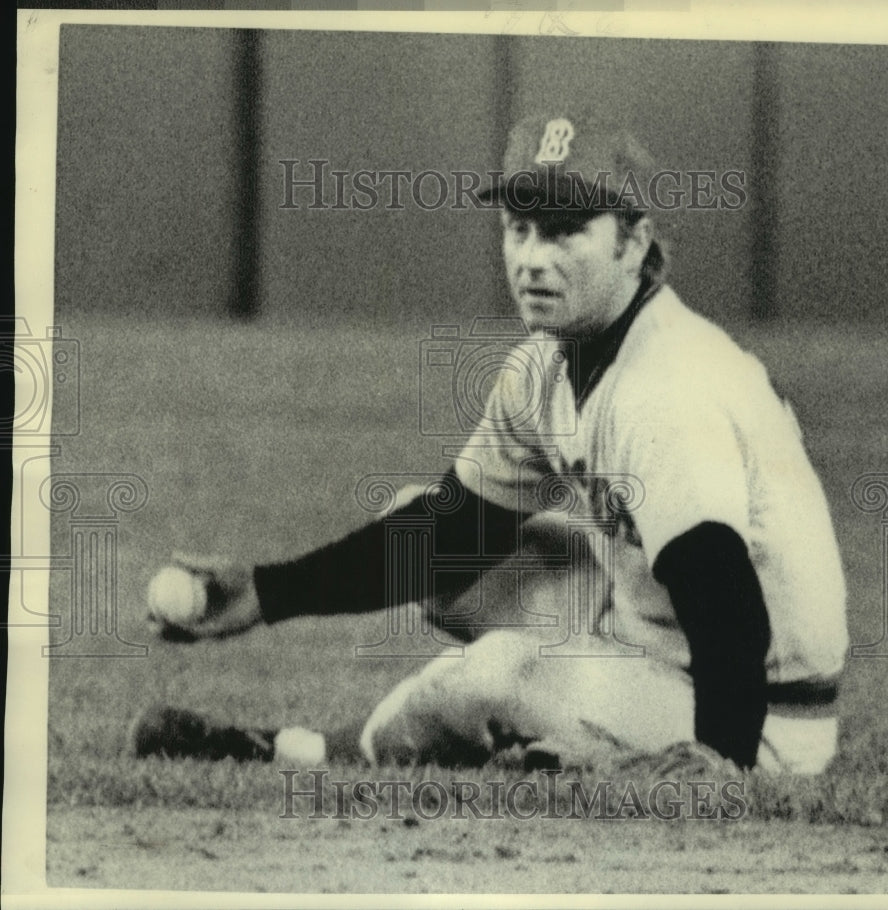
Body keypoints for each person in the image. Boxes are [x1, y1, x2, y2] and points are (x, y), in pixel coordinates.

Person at [132, 113, 849, 776]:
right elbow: (451, 532)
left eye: (565, 230)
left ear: (633, 242)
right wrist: (265, 590)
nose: (533, 258)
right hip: (646, 637)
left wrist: (720, 763)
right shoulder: (547, 366)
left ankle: (296, 751)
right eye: (520, 227)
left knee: (497, 672)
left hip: (764, 712)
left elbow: (724, 594)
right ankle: (572, 735)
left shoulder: (668, 386)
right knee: (429, 536)